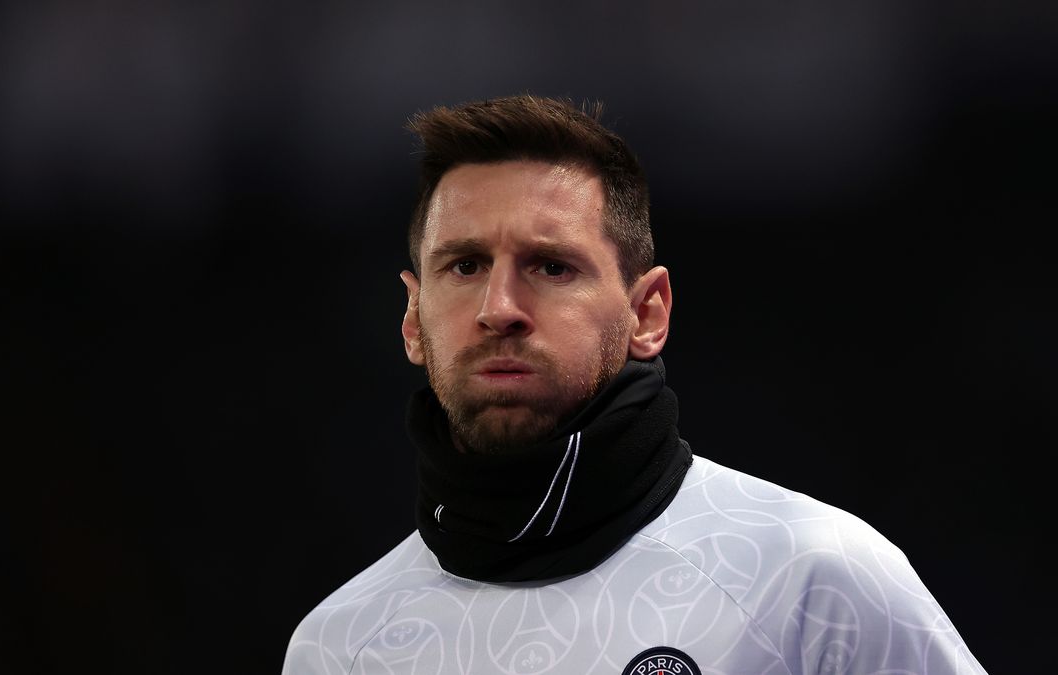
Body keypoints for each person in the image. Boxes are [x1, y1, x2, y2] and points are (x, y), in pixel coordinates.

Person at [283, 95, 987, 675]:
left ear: (647, 312)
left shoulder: (813, 579)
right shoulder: (342, 646)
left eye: (551, 266)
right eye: (464, 265)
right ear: (412, 319)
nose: (499, 306)